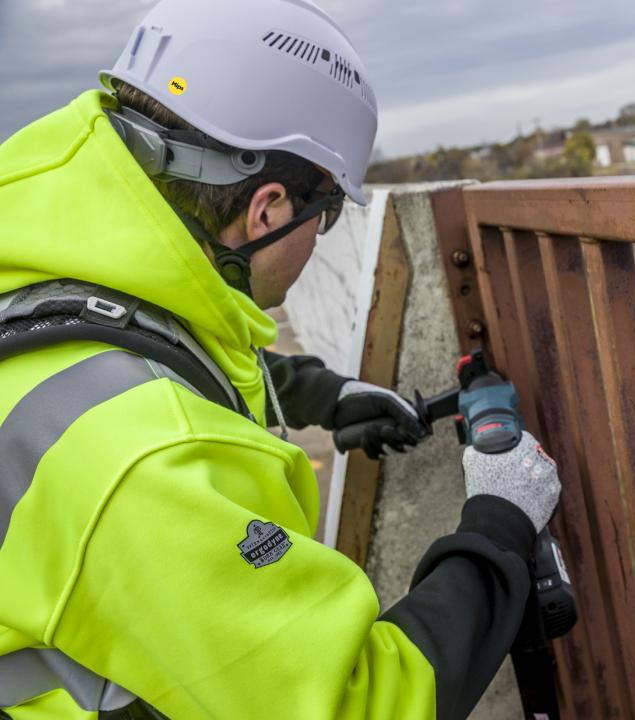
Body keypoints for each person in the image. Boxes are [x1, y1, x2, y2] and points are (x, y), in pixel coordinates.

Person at [0, 0, 561, 718]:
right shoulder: (138, 467)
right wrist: (501, 523)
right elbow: (359, 702)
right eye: (325, 214)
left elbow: (129, 347)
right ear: (267, 210)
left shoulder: (48, 239)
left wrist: (324, 396)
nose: (320, 237)